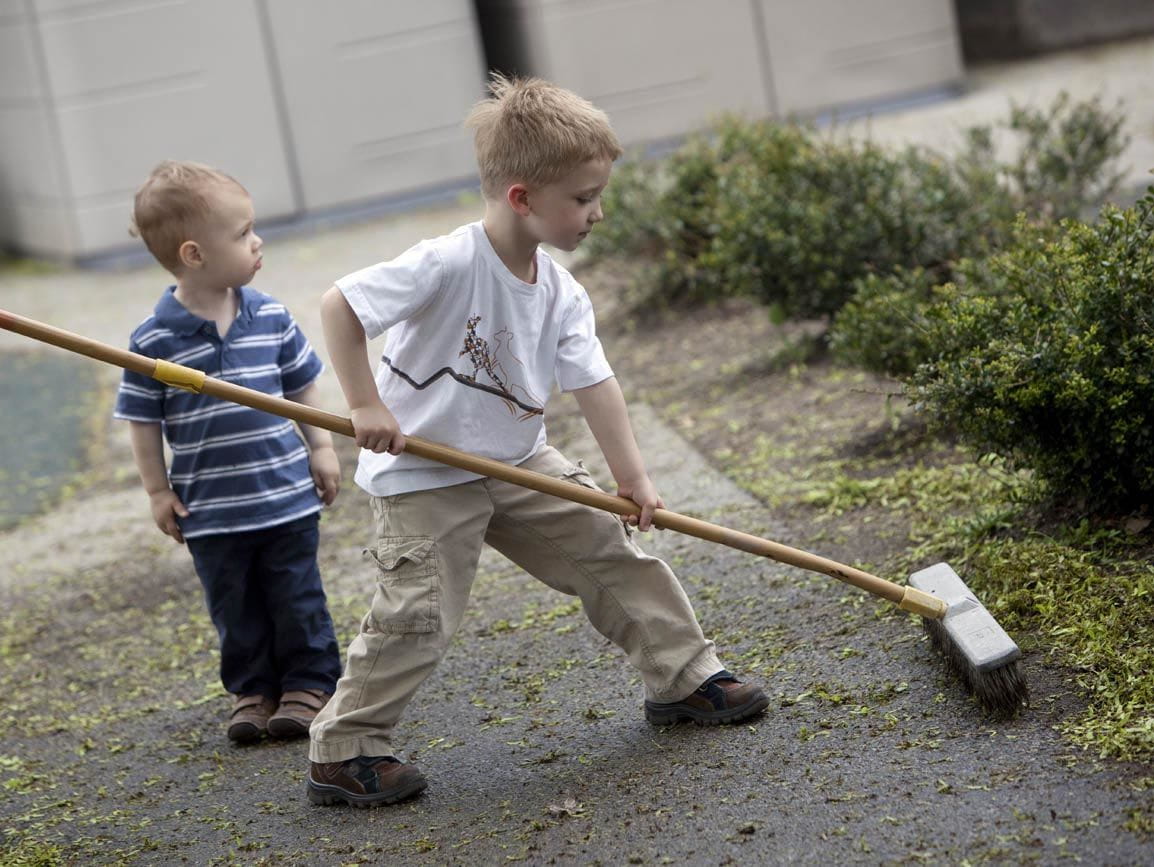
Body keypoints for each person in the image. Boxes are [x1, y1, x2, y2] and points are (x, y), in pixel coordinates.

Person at [306, 76, 769, 807]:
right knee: (417, 614)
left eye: (597, 195)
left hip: (518, 460)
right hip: (424, 472)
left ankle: (683, 675)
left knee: (609, 549)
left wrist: (632, 479)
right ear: (522, 197)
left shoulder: (559, 290)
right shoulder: (448, 262)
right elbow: (341, 305)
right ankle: (345, 746)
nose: (597, 212)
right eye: (583, 198)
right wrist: (364, 402)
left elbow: (596, 383)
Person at [114, 161, 343, 744]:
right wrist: (157, 490)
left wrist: (320, 446)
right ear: (194, 255)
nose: (257, 241)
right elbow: (142, 421)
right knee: (234, 606)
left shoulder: (270, 316)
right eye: (242, 233)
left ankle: (309, 683)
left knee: (297, 596)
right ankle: (253, 690)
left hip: (284, 496)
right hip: (211, 511)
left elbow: (301, 385)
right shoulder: (152, 341)